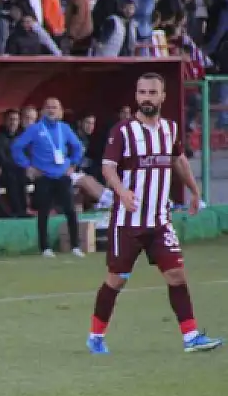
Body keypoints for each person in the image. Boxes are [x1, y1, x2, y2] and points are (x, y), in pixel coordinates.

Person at [87, 74, 222, 355]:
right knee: (117, 279)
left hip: (160, 221)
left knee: (177, 275)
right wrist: (122, 192)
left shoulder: (170, 129)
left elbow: (178, 160)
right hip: (128, 222)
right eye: (142, 92)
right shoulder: (122, 131)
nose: (146, 98)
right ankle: (96, 335)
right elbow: (108, 167)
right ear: (136, 96)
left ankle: (191, 336)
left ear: (162, 97)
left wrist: (195, 192)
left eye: (152, 92)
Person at [11, 97, 85, 257]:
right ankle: (45, 247)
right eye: (48, 107)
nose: (52, 110)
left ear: (60, 111)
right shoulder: (35, 129)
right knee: (43, 212)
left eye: (55, 107)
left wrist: (73, 165)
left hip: (62, 175)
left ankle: (76, 246)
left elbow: (78, 147)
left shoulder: (64, 128)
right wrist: (27, 166)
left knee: (70, 210)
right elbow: (17, 147)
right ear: (43, 111)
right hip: (43, 176)